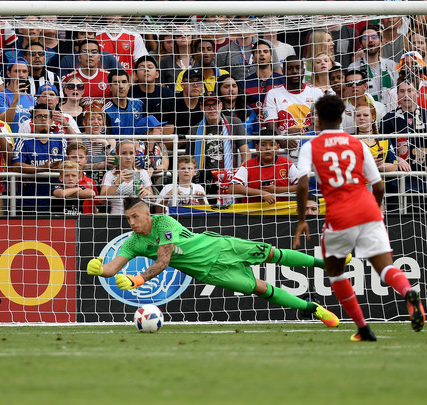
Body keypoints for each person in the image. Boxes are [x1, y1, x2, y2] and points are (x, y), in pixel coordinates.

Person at [87, 196, 341, 329]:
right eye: (128, 218)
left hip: (220, 247)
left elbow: (164, 261)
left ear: (147, 214)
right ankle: (313, 309)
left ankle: (326, 263)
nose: (131, 223)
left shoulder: (164, 223)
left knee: (272, 254)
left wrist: (138, 279)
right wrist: (100, 269)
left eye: (135, 217)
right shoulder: (132, 242)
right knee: (260, 288)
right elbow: (111, 268)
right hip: (208, 272)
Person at [293, 94, 425, 342]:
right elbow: (378, 186)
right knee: (385, 268)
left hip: (339, 214)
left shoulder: (311, 144)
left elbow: (302, 185)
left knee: (336, 272)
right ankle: (408, 292)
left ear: (317, 120)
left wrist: (301, 219)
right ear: (343, 117)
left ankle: (363, 328)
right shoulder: (358, 144)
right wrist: (373, 211)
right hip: (368, 209)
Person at [381, 76, 427, 212]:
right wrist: (397, 159)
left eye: (410, 91)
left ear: (417, 92)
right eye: (402, 91)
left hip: (425, 179)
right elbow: (385, 147)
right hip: (398, 181)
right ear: (397, 94)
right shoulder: (388, 119)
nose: (406, 95)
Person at [187, 95, 251, 201]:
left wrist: (241, 170)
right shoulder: (194, 130)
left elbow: (246, 153)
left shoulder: (235, 123)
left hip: (230, 177)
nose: (212, 108)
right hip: (205, 180)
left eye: (215, 104)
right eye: (208, 105)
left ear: (221, 106)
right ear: (201, 108)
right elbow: (189, 160)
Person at [263, 54, 324, 157]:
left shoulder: (317, 92)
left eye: (298, 68)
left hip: (313, 148)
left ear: (303, 71)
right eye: (290, 68)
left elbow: (325, 122)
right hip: (285, 152)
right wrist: (282, 140)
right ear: (283, 72)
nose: (294, 71)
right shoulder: (273, 94)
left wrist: (304, 131)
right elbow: (271, 125)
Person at [10, 103, 67, 213]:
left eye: (46, 116)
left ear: (52, 121)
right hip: (28, 201)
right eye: (39, 116)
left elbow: (64, 165)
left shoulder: (60, 139)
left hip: (55, 201)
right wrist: (44, 168)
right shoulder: (24, 140)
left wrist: (31, 171)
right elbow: (16, 166)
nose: (43, 119)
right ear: (32, 121)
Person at [230, 135, 299, 204]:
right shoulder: (248, 165)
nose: (268, 148)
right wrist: (262, 193)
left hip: (281, 211)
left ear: (278, 147)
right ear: (257, 148)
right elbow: (232, 188)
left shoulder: (286, 163)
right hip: (253, 211)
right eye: (263, 145)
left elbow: (302, 186)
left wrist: (276, 190)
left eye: (272, 145)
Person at [348, 25, 398, 105]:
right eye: (365, 38)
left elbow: (396, 92)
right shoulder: (353, 68)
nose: (370, 40)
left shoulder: (391, 65)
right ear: (360, 44)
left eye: (374, 37)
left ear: (381, 42)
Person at [99, 139, 153, 215]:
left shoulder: (142, 173)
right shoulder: (110, 174)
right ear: (117, 155)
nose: (128, 157)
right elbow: (103, 201)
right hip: (116, 216)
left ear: (135, 154)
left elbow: (153, 199)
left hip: (138, 217)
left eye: (131, 153)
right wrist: (116, 183)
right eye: (124, 153)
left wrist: (147, 193)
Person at [239, 39, 286, 120]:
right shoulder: (244, 84)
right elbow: (241, 111)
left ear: (271, 58)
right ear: (253, 59)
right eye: (258, 52)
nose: (262, 54)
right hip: (254, 129)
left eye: (265, 51)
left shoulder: (283, 81)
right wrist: (253, 118)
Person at [131, 55, 176, 135]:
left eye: (150, 67)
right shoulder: (129, 94)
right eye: (141, 68)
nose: (146, 70)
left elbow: (170, 125)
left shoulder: (167, 94)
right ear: (136, 75)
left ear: (157, 74)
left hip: (161, 139)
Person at [62, 39, 112, 107]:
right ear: (79, 57)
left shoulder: (109, 78)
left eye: (94, 52)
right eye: (85, 52)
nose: (90, 55)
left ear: (99, 57)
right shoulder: (68, 79)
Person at [341, 68, 386, 134]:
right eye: (350, 83)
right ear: (346, 88)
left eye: (358, 83)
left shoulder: (380, 108)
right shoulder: (339, 111)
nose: (354, 86)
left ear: (365, 86)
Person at [103, 69, 145, 135]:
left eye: (124, 82)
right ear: (110, 87)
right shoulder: (106, 111)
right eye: (116, 83)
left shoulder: (139, 104)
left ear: (128, 86)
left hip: (138, 144)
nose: (121, 86)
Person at [0, 58, 35, 133]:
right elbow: (4, 123)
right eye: (17, 71)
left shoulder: (31, 99)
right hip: (10, 142)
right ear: (8, 73)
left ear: (28, 74)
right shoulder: (1, 96)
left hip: (26, 143)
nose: (21, 75)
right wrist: (15, 100)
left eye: (24, 71)